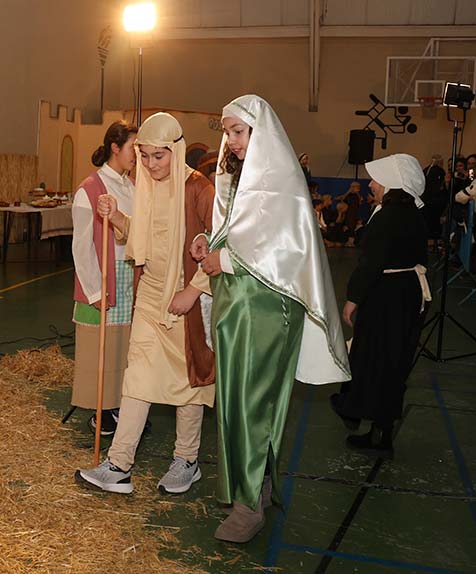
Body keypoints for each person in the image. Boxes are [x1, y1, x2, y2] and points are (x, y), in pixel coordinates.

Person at [191, 95, 350, 543]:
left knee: (254, 401)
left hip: (267, 308)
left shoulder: (283, 182)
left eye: (237, 132)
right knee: (236, 401)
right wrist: (208, 242)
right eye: (226, 132)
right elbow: (233, 231)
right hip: (234, 308)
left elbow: (289, 245)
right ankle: (250, 490)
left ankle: (247, 504)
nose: (230, 141)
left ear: (260, 133)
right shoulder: (237, 178)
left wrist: (233, 261)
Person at [76, 112, 215, 495]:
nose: (152, 164)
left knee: (189, 382)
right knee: (136, 376)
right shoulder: (146, 185)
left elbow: (221, 246)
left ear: (175, 150)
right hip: (151, 294)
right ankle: (119, 464)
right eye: (146, 156)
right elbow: (143, 237)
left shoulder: (199, 188)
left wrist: (194, 290)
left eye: (160, 156)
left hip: (188, 298)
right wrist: (117, 216)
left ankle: (186, 460)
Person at [330, 154, 431, 459]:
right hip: (404, 296)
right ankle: (379, 433)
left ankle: (354, 409)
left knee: (373, 357)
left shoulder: (388, 216)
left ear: (391, 184)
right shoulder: (407, 212)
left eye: (376, 179)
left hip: (388, 297)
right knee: (392, 363)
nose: (371, 184)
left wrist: (352, 299)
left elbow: (372, 262)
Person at [71, 120, 137, 436]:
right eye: (133, 148)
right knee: (102, 349)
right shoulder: (91, 188)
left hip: (129, 279)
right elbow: (82, 248)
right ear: (115, 147)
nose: (137, 155)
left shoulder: (132, 186)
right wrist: (95, 291)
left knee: (123, 348)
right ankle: (102, 408)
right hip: (104, 277)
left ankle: (122, 405)